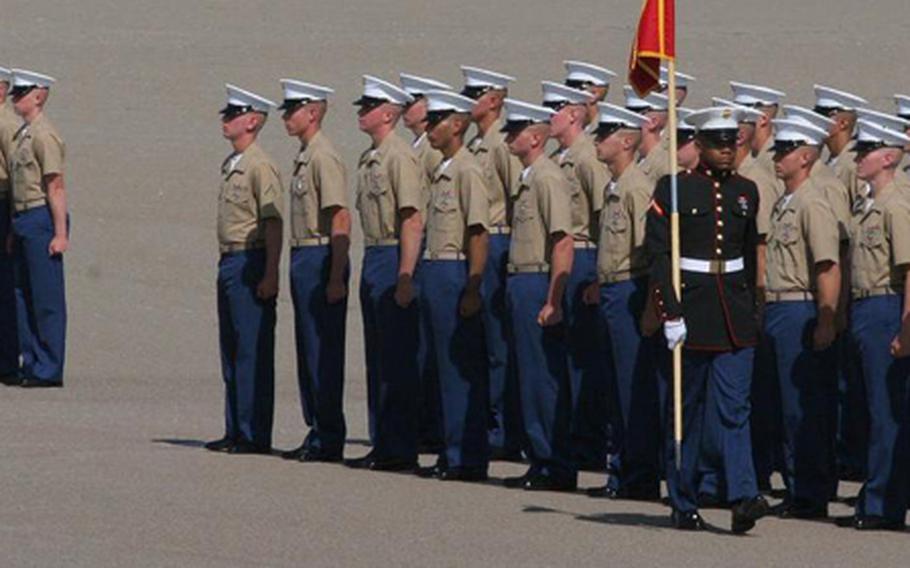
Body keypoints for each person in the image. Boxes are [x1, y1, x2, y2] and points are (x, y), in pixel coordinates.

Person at [646, 107, 770, 532]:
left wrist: (754, 308)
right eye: (716, 144)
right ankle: (683, 499)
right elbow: (659, 257)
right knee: (687, 413)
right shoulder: (674, 189)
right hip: (692, 310)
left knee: (735, 408)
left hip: (733, 312)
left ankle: (743, 496)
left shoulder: (747, 191)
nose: (725, 151)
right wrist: (670, 312)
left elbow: (751, 253)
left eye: (731, 143)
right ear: (697, 146)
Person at [345, 76, 424, 472]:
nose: (362, 113)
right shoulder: (371, 156)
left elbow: (411, 218)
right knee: (378, 355)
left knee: (396, 357)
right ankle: (383, 441)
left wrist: (406, 274)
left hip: (393, 254)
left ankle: (400, 445)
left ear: (389, 113)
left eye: (369, 107)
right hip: (375, 253)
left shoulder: (398, 157)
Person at [584, 102, 661, 500]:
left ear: (627, 141)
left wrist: (650, 307)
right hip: (612, 288)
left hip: (631, 290)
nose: (597, 141)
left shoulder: (636, 188)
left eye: (605, 134)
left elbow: (648, 258)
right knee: (614, 384)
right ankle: (621, 471)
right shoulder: (613, 185)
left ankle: (640, 475)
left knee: (634, 386)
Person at [498, 99, 576, 491]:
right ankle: (539, 457)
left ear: (534, 137)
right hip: (521, 279)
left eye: (514, 133)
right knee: (527, 376)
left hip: (538, 279)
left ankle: (554, 462)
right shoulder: (528, 176)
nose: (509, 139)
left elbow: (563, 241)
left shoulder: (546, 177)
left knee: (542, 377)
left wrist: (554, 299)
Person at [765, 118, 842, 518]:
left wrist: (827, 321)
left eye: (786, 150)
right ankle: (798, 486)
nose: (778, 157)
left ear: (807, 156)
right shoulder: (787, 200)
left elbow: (827, 266)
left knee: (803, 404)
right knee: (785, 404)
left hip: (799, 306)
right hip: (778, 307)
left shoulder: (812, 202)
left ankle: (810, 492)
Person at [414, 90, 491, 482]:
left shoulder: (467, 170)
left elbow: (478, 232)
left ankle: (466, 455)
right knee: (439, 367)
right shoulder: (444, 168)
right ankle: (450, 449)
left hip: (455, 271)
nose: (428, 128)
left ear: (457, 124)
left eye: (436, 121)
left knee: (459, 368)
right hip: (435, 269)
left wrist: (473, 287)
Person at [206, 84, 283, 454]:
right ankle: (235, 427)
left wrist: (270, 272)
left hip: (251, 259)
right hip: (230, 259)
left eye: (233, 115)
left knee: (252, 347)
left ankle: (253, 432)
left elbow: (272, 222)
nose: (226, 120)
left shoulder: (259, 165)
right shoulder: (234, 163)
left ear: (252, 121)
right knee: (232, 348)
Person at [278, 79, 351, 463]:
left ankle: (329, 433)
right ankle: (318, 428)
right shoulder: (307, 156)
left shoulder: (323, 157)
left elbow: (339, 216)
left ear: (313, 113)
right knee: (308, 347)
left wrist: (336, 274)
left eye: (292, 111)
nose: (286, 118)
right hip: (305, 255)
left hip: (321, 255)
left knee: (323, 349)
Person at [844, 119, 910, 531]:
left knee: (887, 411)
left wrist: (905, 328)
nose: (858, 158)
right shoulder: (870, 203)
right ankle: (876, 494)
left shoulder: (896, 205)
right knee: (873, 407)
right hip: (867, 308)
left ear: (887, 157)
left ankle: (883, 504)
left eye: (866, 151)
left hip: (888, 306)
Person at [541, 80, 610, 471]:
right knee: (565, 356)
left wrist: (600, 275)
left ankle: (590, 444)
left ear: (573, 114)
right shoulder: (562, 155)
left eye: (555, 109)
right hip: (566, 256)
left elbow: (604, 215)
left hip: (584, 255)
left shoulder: (586, 158)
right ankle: (573, 437)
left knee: (584, 359)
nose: (548, 116)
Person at [460, 66, 523, 459]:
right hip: (480, 241)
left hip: (499, 241)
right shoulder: (477, 143)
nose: (469, 102)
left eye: (476, 94)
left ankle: (503, 430)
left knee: (499, 341)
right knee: (480, 339)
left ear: (495, 99)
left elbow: (518, 198)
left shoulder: (501, 144)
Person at [7, 69, 68, 388]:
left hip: (41, 216)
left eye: (22, 94)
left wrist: (60, 233)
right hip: (23, 219)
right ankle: (32, 363)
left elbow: (55, 184)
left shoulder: (44, 135)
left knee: (45, 298)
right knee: (22, 294)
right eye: (14, 94)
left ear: (39, 96)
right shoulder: (24, 134)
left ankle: (49, 366)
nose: (17, 99)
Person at [813, 85, 868, 205]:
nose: (816, 121)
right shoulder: (831, 161)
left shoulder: (854, 165)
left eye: (823, 116)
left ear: (843, 124)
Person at [0, 66, 20, 384]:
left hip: (3, 204)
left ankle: (6, 362)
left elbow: (17, 172)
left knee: (5, 286)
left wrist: (13, 223)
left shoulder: (6, 123)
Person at [623, 86, 670, 185]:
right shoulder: (637, 158)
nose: (626, 122)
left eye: (633, 117)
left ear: (653, 122)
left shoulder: (666, 167)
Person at [562, 60, 617, 137]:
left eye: (574, 94)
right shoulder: (572, 133)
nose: (566, 100)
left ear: (594, 95)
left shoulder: (606, 137)